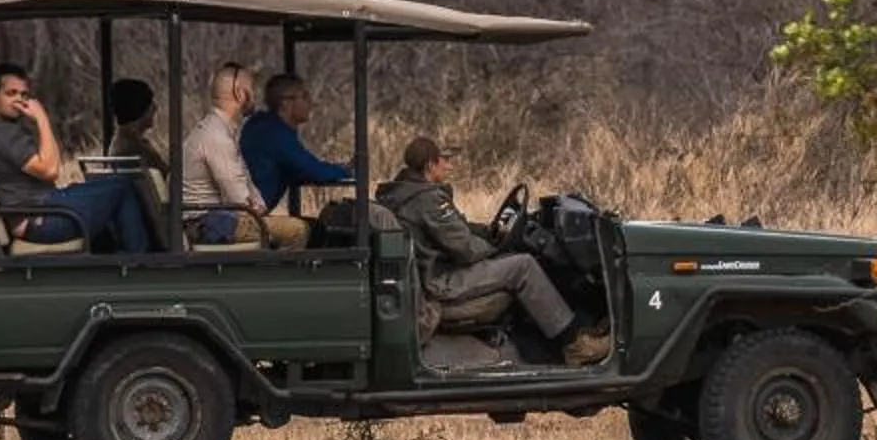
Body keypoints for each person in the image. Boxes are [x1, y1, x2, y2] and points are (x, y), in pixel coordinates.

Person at [377, 135, 609, 365]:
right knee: (523, 266)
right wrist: (497, 245)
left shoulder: (405, 193)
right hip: (440, 280)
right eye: (443, 160)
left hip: (433, 272)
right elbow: (464, 248)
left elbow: (457, 231)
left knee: (514, 261)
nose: (450, 166)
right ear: (430, 165)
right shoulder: (426, 200)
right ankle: (575, 345)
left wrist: (489, 233)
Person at [0, 61, 152, 253]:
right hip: (42, 218)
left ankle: (117, 262)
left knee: (108, 189)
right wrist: (42, 118)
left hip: (40, 209)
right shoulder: (1, 133)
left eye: (23, 94)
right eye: (11, 94)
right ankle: (138, 262)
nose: (19, 100)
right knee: (123, 186)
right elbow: (50, 170)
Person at [181, 62, 312, 247]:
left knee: (290, 225)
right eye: (250, 89)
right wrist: (258, 210)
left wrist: (259, 207)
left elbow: (246, 185)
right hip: (209, 224)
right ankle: (282, 275)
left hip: (218, 220)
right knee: (297, 229)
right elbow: (238, 198)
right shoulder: (216, 137)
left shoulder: (223, 131)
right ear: (239, 93)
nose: (255, 96)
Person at [241, 72, 353, 213]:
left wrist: (338, 169)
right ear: (285, 103)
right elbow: (313, 170)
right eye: (304, 97)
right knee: (311, 229)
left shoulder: (266, 127)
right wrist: (346, 171)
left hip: (246, 212)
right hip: (249, 217)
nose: (311, 102)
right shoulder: (274, 134)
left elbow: (301, 169)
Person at [105, 77, 167, 174]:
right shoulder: (136, 151)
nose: (155, 108)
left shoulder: (119, 145)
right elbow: (171, 181)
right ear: (139, 108)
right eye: (150, 103)